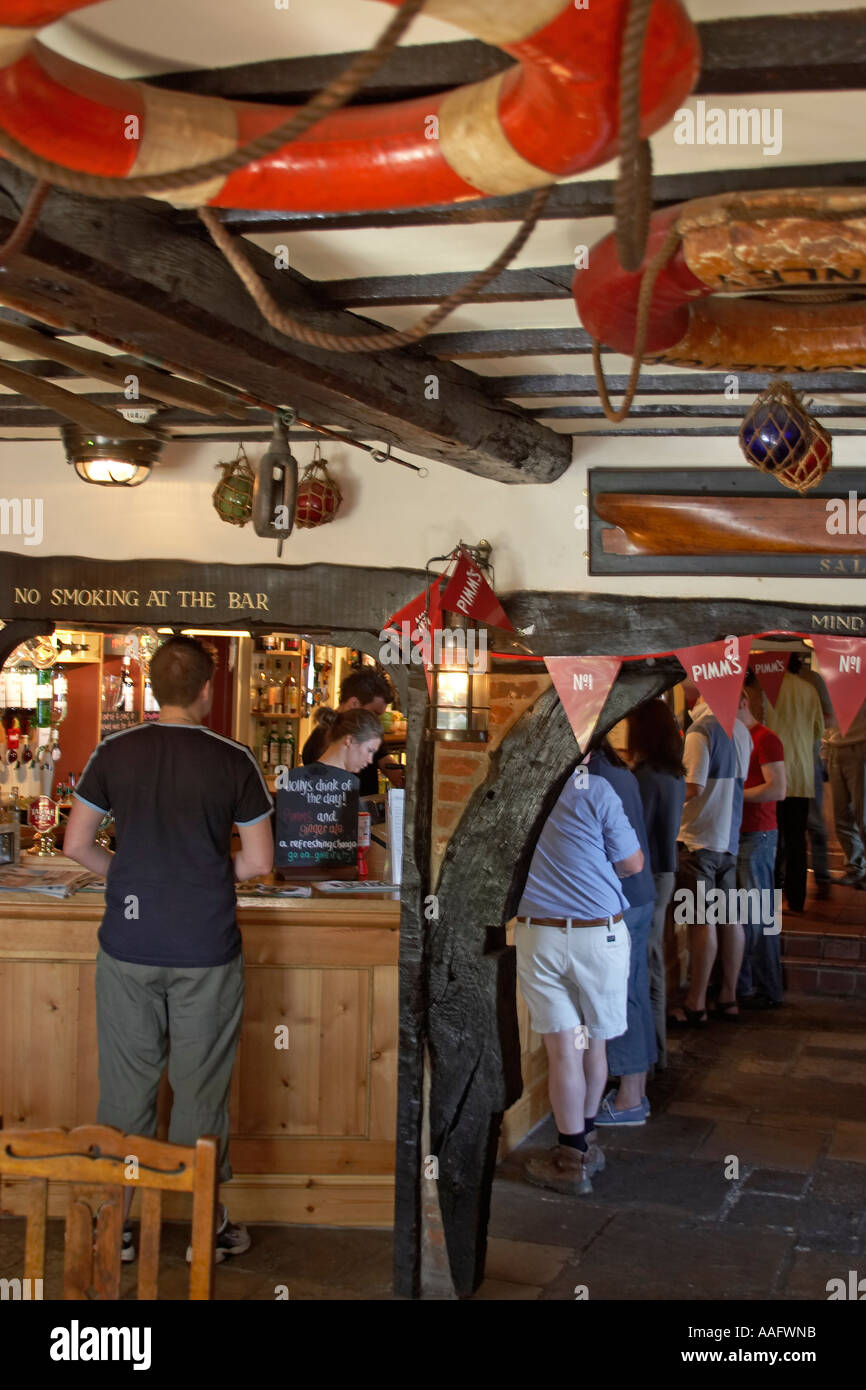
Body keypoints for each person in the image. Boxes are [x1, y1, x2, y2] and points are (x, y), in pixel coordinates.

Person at [63, 637, 274, 1263]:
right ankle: (202, 1231)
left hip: (128, 944)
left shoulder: (113, 752)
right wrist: (206, 877)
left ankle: (118, 1227)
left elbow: (77, 845)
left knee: (125, 1091)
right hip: (205, 946)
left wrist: (129, 877)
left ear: (153, 690)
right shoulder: (234, 758)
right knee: (200, 1089)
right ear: (208, 690)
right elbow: (259, 861)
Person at [514, 761, 644, 1196]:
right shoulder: (596, 788)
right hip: (598, 933)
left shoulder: (521, 783)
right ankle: (585, 1142)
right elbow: (632, 862)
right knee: (594, 1041)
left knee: (563, 1050)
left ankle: (570, 1158)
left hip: (540, 931)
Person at [669, 678, 751, 1025]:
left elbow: (693, 786)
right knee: (730, 918)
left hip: (698, 840)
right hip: (729, 840)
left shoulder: (700, 730)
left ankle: (696, 1003)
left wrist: (661, 799)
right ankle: (729, 997)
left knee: (701, 923)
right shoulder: (741, 731)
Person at [588, 742, 657, 1125]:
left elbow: (618, 856)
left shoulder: (593, 775)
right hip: (639, 896)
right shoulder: (616, 768)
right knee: (634, 994)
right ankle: (636, 1090)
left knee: (623, 998)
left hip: (623, 900)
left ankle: (631, 1099)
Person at [625, 700, 686, 1068]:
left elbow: (635, 836)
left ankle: (650, 1055)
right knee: (655, 962)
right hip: (667, 872)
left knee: (643, 965)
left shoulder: (643, 778)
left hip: (646, 877)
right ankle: (658, 1050)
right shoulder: (675, 774)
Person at [736, 676, 786, 1009]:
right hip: (738, 834)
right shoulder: (734, 737)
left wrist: (733, 795)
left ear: (743, 703)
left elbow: (777, 789)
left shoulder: (765, 739)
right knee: (740, 917)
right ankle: (748, 985)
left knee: (758, 918)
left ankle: (767, 989)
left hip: (758, 834)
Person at [763, 657, 825, 912]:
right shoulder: (808, 689)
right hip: (800, 775)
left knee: (771, 838)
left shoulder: (764, 690)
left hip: (769, 776)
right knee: (797, 839)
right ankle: (797, 899)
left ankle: (773, 897)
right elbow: (818, 731)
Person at [302, 666, 404, 794]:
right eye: (374, 713)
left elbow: (385, 762)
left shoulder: (368, 732)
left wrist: (406, 778)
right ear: (354, 703)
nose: (376, 720)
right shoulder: (320, 741)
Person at [824, 697, 866, 889]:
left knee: (863, 816)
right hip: (835, 748)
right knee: (841, 816)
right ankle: (855, 867)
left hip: (860, 746)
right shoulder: (833, 679)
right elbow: (827, 718)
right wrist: (825, 750)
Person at [306, 705, 384, 780]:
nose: (370, 760)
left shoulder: (296, 778)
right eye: (369, 750)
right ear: (350, 740)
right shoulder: (349, 784)